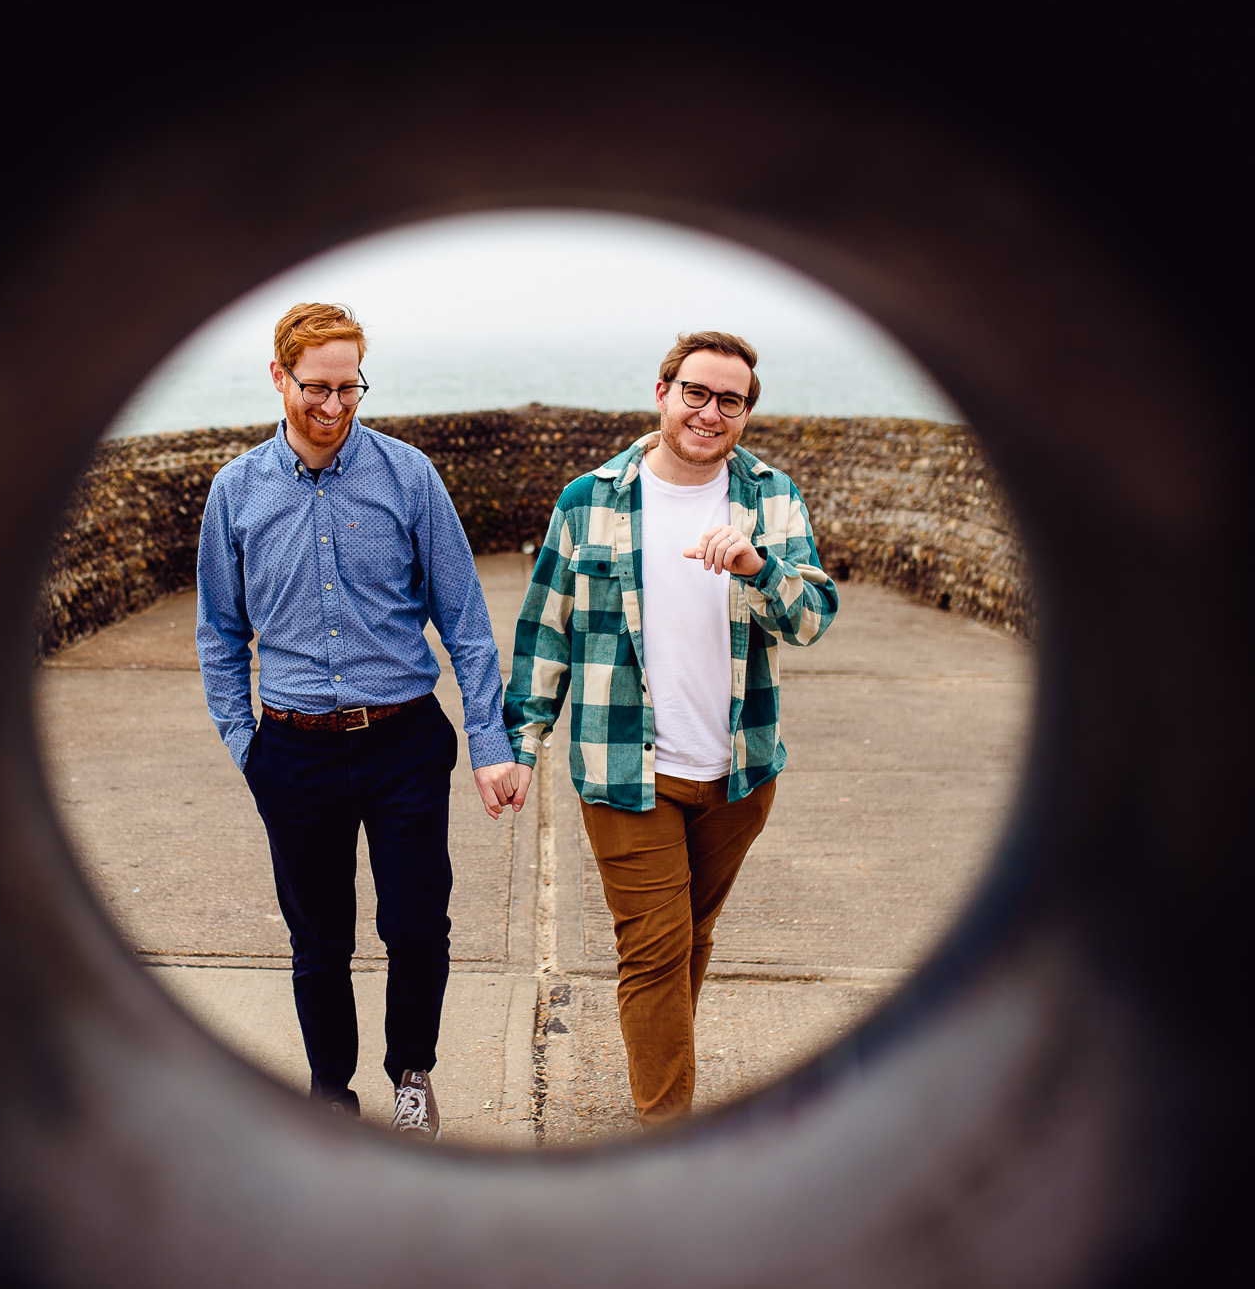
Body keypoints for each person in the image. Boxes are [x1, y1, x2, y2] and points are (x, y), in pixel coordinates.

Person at [196, 302, 520, 1139]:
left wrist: (491, 743)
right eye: (317, 386)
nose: (334, 405)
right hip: (292, 752)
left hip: (405, 741)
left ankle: (412, 1073)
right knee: (319, 938)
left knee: (416, 923)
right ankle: (330, 1092)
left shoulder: (409, 477)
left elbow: (467, 620)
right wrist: (247, 744)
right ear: (280, 377)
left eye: (351, 386)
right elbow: (220, 633)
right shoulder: (235, 492)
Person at [500, 330, 838, 1126]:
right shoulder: (590, 499)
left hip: (739, 773)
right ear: (663, 392)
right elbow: (545, 628)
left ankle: (662, 1076)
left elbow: (813, 620)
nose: (710, 412)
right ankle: (667, 1133)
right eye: (696, 392)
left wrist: (761, 567)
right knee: (653, 949)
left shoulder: (772, 497)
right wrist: (520, 745)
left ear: (746, 413)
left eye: (730, 399)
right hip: (622, 768)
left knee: (689, 936)